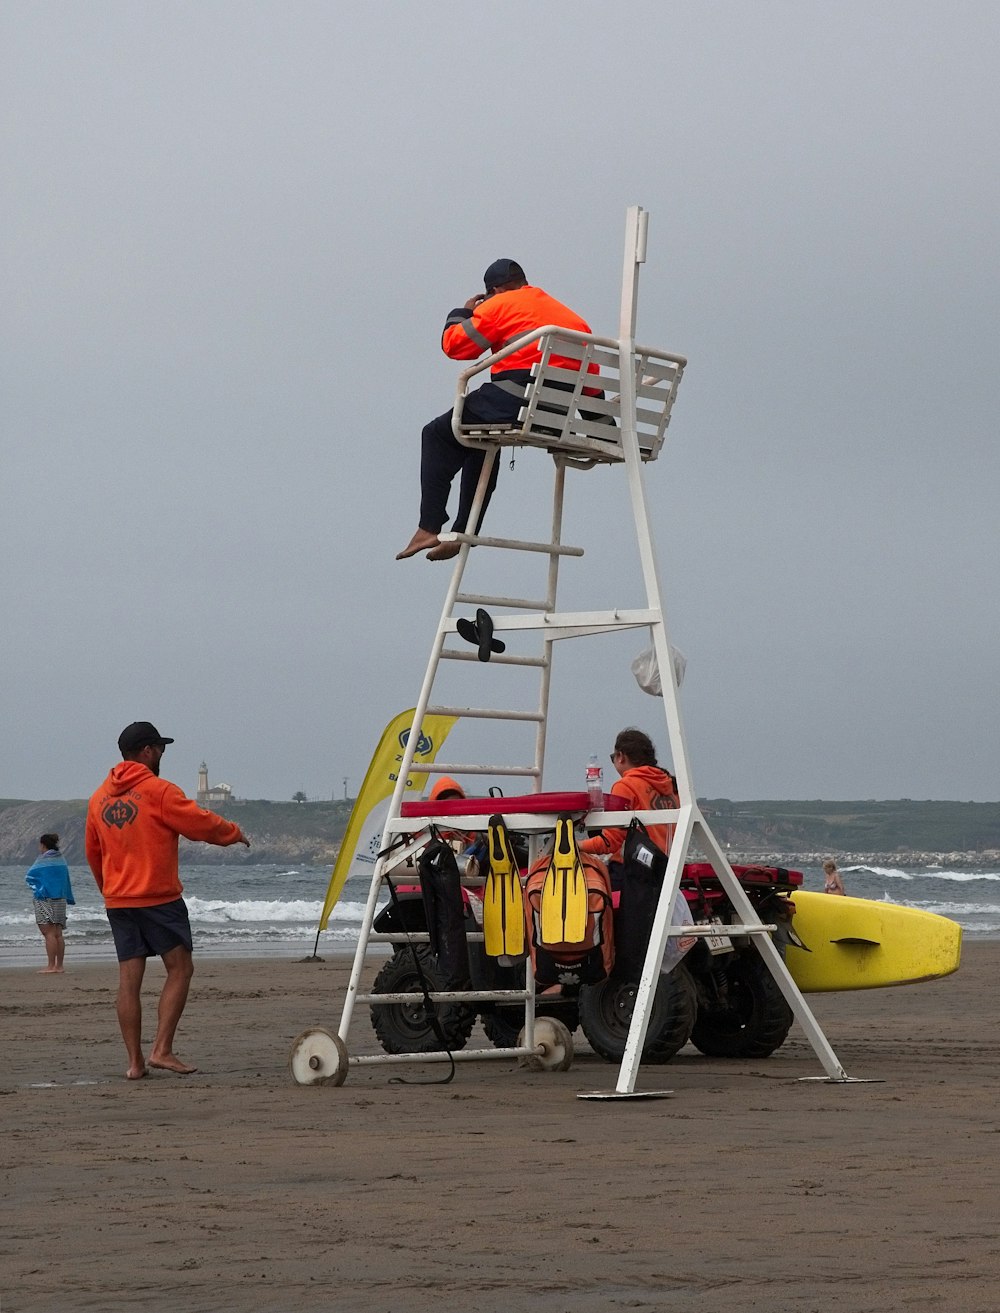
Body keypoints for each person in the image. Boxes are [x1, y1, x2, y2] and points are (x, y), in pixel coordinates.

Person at [396, 258, 596, 562]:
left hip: (515, 401)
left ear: (495, 289)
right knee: (480, 437)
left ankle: (428, 525)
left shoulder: (499, 305)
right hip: (557, 414)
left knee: (436, 433)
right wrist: (601, 427)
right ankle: (465, 530)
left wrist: (463, 312)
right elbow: (592, 380)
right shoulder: (569, 316)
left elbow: (455, 346)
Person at [85, 721, 250, 1080]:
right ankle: (161, 1050)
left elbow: (93, 853)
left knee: (129, 980)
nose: (162, 754)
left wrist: (109, 890)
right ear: (147, 751)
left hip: (119, 901)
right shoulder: (158, 791)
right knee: (180, 968)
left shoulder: (98, 798)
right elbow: (199, 823)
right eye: (160, 748)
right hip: (157, 898)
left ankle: (134, 1064)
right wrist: (233, 833)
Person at [579, 728, 679, 882]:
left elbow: (609, 842)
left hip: (634, 871)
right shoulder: (672, 785)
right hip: (668, 871)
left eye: (613, 757)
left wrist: (575, 845)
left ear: (621, 756)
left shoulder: (626, 785)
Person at [25, 833, 75, 974]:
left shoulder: (42, 859)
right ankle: (59, 966)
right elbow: (65, 879)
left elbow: (30, 876)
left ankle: (51, 966)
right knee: (58, 933)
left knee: (48, 933)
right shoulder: (61, 859)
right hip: (60, 898)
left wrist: (38, 889)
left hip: (44, 898)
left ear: (43, 844)